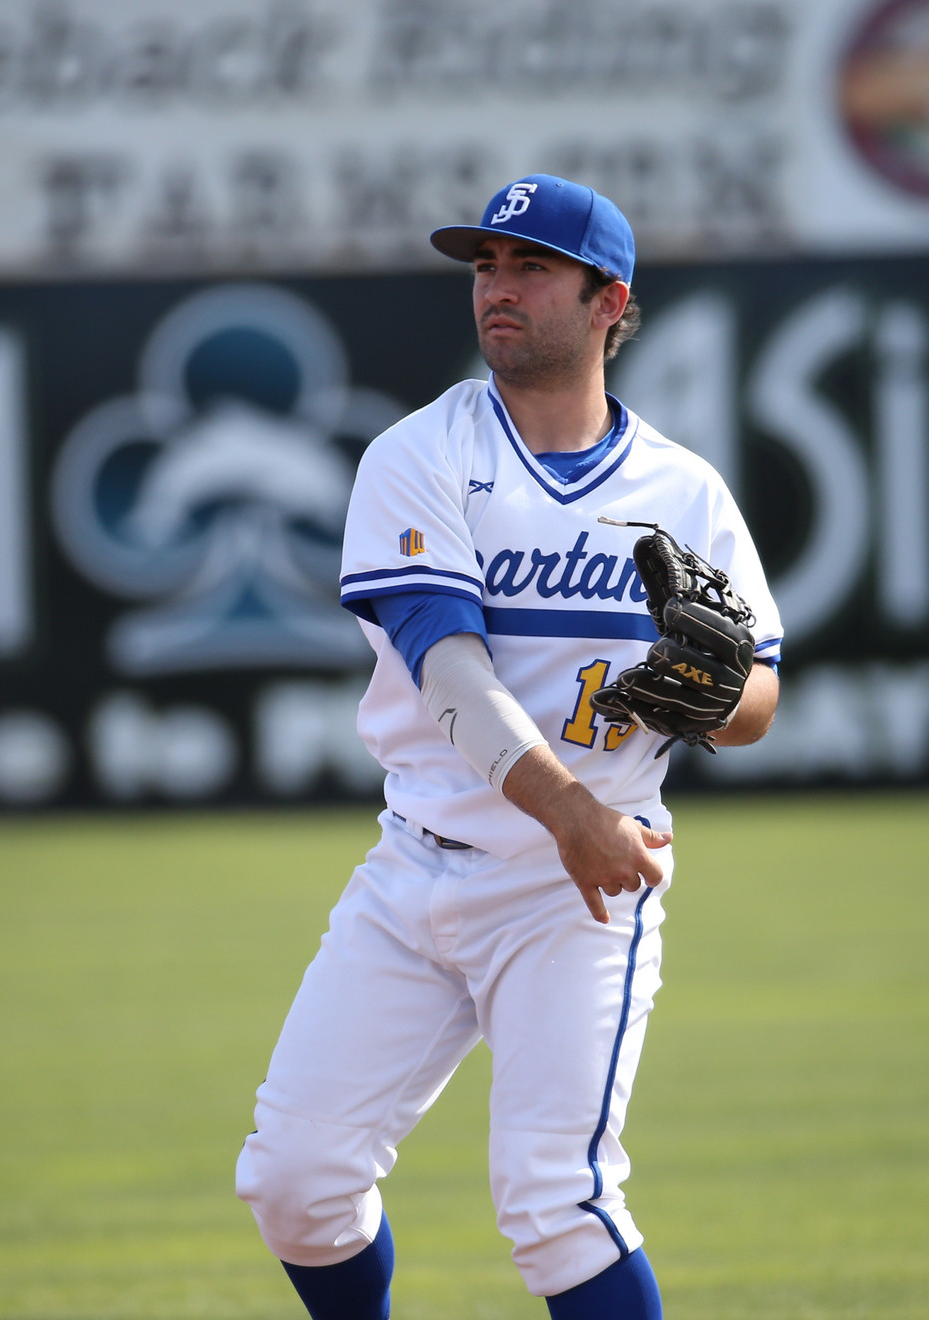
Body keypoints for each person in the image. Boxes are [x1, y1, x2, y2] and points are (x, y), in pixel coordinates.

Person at [235, 174, 782, 1319]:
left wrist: (719, 694)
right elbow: (447, 663)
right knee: (295, 1183)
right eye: (484, 264)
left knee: (555, 1201)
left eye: (529, 265)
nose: (497, 286)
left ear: (605, 300)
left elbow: (761, 694)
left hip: (572, 897)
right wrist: (570, 808)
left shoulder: (683, 491)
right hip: (418, 863)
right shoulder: (419, 452)